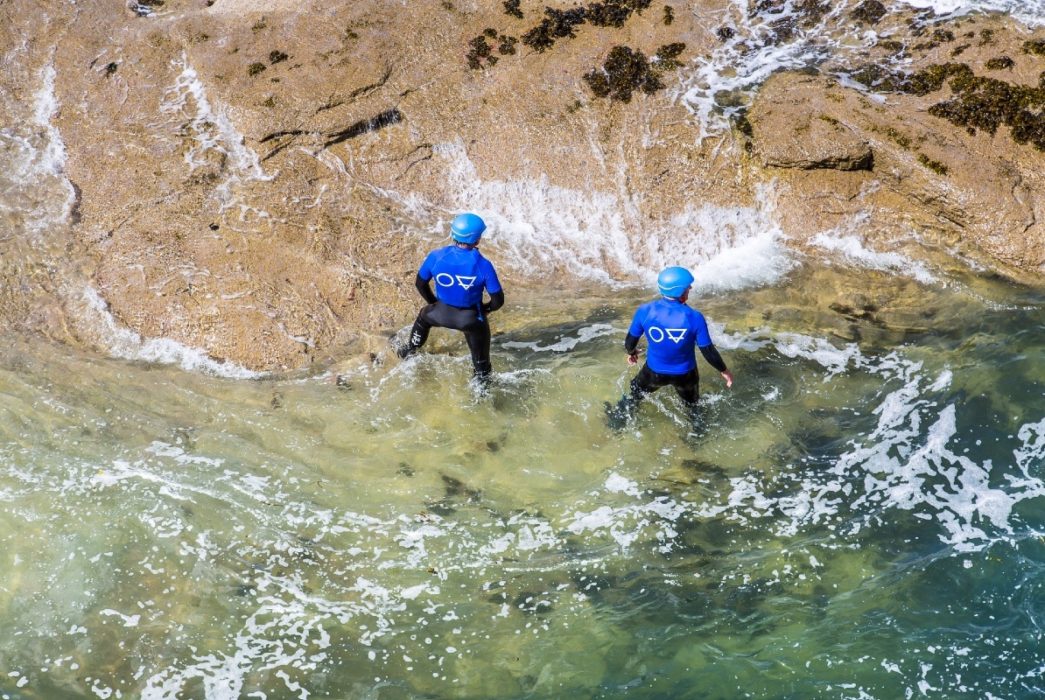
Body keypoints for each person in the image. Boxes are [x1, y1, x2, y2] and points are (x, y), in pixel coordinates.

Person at [607, 266, 733, 428]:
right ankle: (697, 437)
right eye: (688, 287)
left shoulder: (645, 311)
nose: (690, 289)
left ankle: (618, 423)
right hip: (685, 375)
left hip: (654, 373)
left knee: (635, 392)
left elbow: (629, 342)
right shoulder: (695, 317)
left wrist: (632, 353)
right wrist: (724, 371)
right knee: (693, 408)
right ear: (681, 291)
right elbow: (708, 351)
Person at [397, 213, 505, 386]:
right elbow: (498, 300)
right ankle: (481, 395)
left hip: (437, 314)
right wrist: (486, 309)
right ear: (477, 240)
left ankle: (409, 351)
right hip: (470, 320)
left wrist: (433, 303)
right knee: (482, 368)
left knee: (423, 317)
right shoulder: (483, 265)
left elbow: (420, 283)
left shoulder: (436, 256)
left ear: (453, 234)